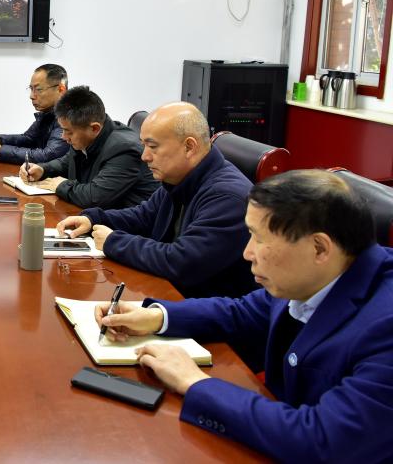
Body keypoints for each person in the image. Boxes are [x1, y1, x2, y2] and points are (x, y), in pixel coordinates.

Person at [96, 170, 393, 463]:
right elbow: (242, 312)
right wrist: (156, 317)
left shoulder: (386, 323)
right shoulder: (312, 274)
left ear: (319, 248)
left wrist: (194, 383)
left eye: (259, 239)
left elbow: (323, 441)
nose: (247, 253)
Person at [57, 102, 256, 299]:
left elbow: (182, 262)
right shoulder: (180, 178)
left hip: (200, 307)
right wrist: (94, 219)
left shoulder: (227, 197)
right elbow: (144, 216)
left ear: (189, 147)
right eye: (144, 145)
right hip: (171, 292)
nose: (145, 156)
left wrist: (113, 242)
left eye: (152, 147)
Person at [20, 86, 157, 209]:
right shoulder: (85, 137)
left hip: (127, 226)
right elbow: (66, 163)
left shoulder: (125, 150)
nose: (64, 137)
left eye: (68, 132)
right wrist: (43, 169)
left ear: (94, 128)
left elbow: (95, 198)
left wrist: (60, 185)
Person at [0, 63, 69, 164]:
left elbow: (48, 156)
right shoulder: (48, 113)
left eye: (38, 89)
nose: (31, 96)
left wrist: (0, 151)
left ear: (61, 89)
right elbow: (29, 139)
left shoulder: (68, 116)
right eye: (31, 89)